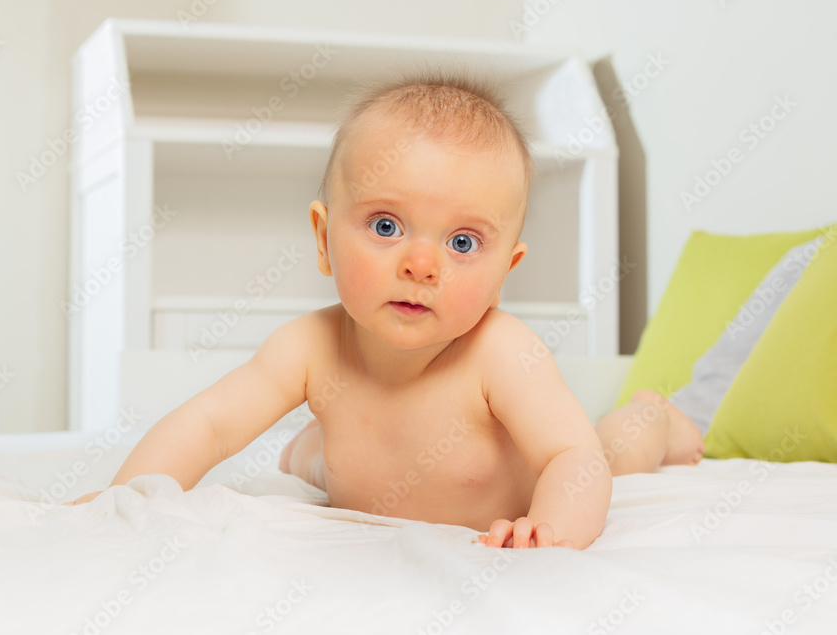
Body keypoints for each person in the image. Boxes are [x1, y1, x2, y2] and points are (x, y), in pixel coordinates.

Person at [64, 71, 705, 550]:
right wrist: (127, 497)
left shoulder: (501, 353)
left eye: (462, 243)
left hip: (528, 480)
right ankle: (315, 448)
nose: (421, 264)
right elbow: (209, 423)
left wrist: (553, 532)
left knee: (612, 446)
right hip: (361, 468)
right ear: (323, 239)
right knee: (315, 458)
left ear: (503, 275)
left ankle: (655, 415)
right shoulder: (310, 347)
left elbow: (573, 460)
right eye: (387, 224)